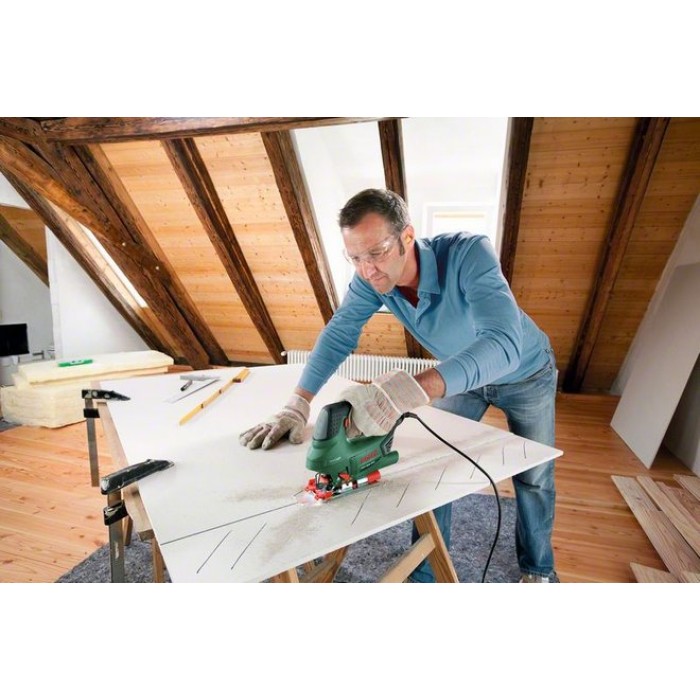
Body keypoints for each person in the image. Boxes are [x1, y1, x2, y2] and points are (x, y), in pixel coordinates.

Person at [239, 188, 557, 583]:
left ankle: (538, 570)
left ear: (407, 236)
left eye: (376, 253)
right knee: (433, 468)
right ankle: (425, 572)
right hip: (461, 378)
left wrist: (408, 390)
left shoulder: (469, 253)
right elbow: (339, 333)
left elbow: (504, 345)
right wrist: (298, 402)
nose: (367, 269)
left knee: (534, 477)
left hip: (526, 375)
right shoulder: (371, 279)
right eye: (355, 258)